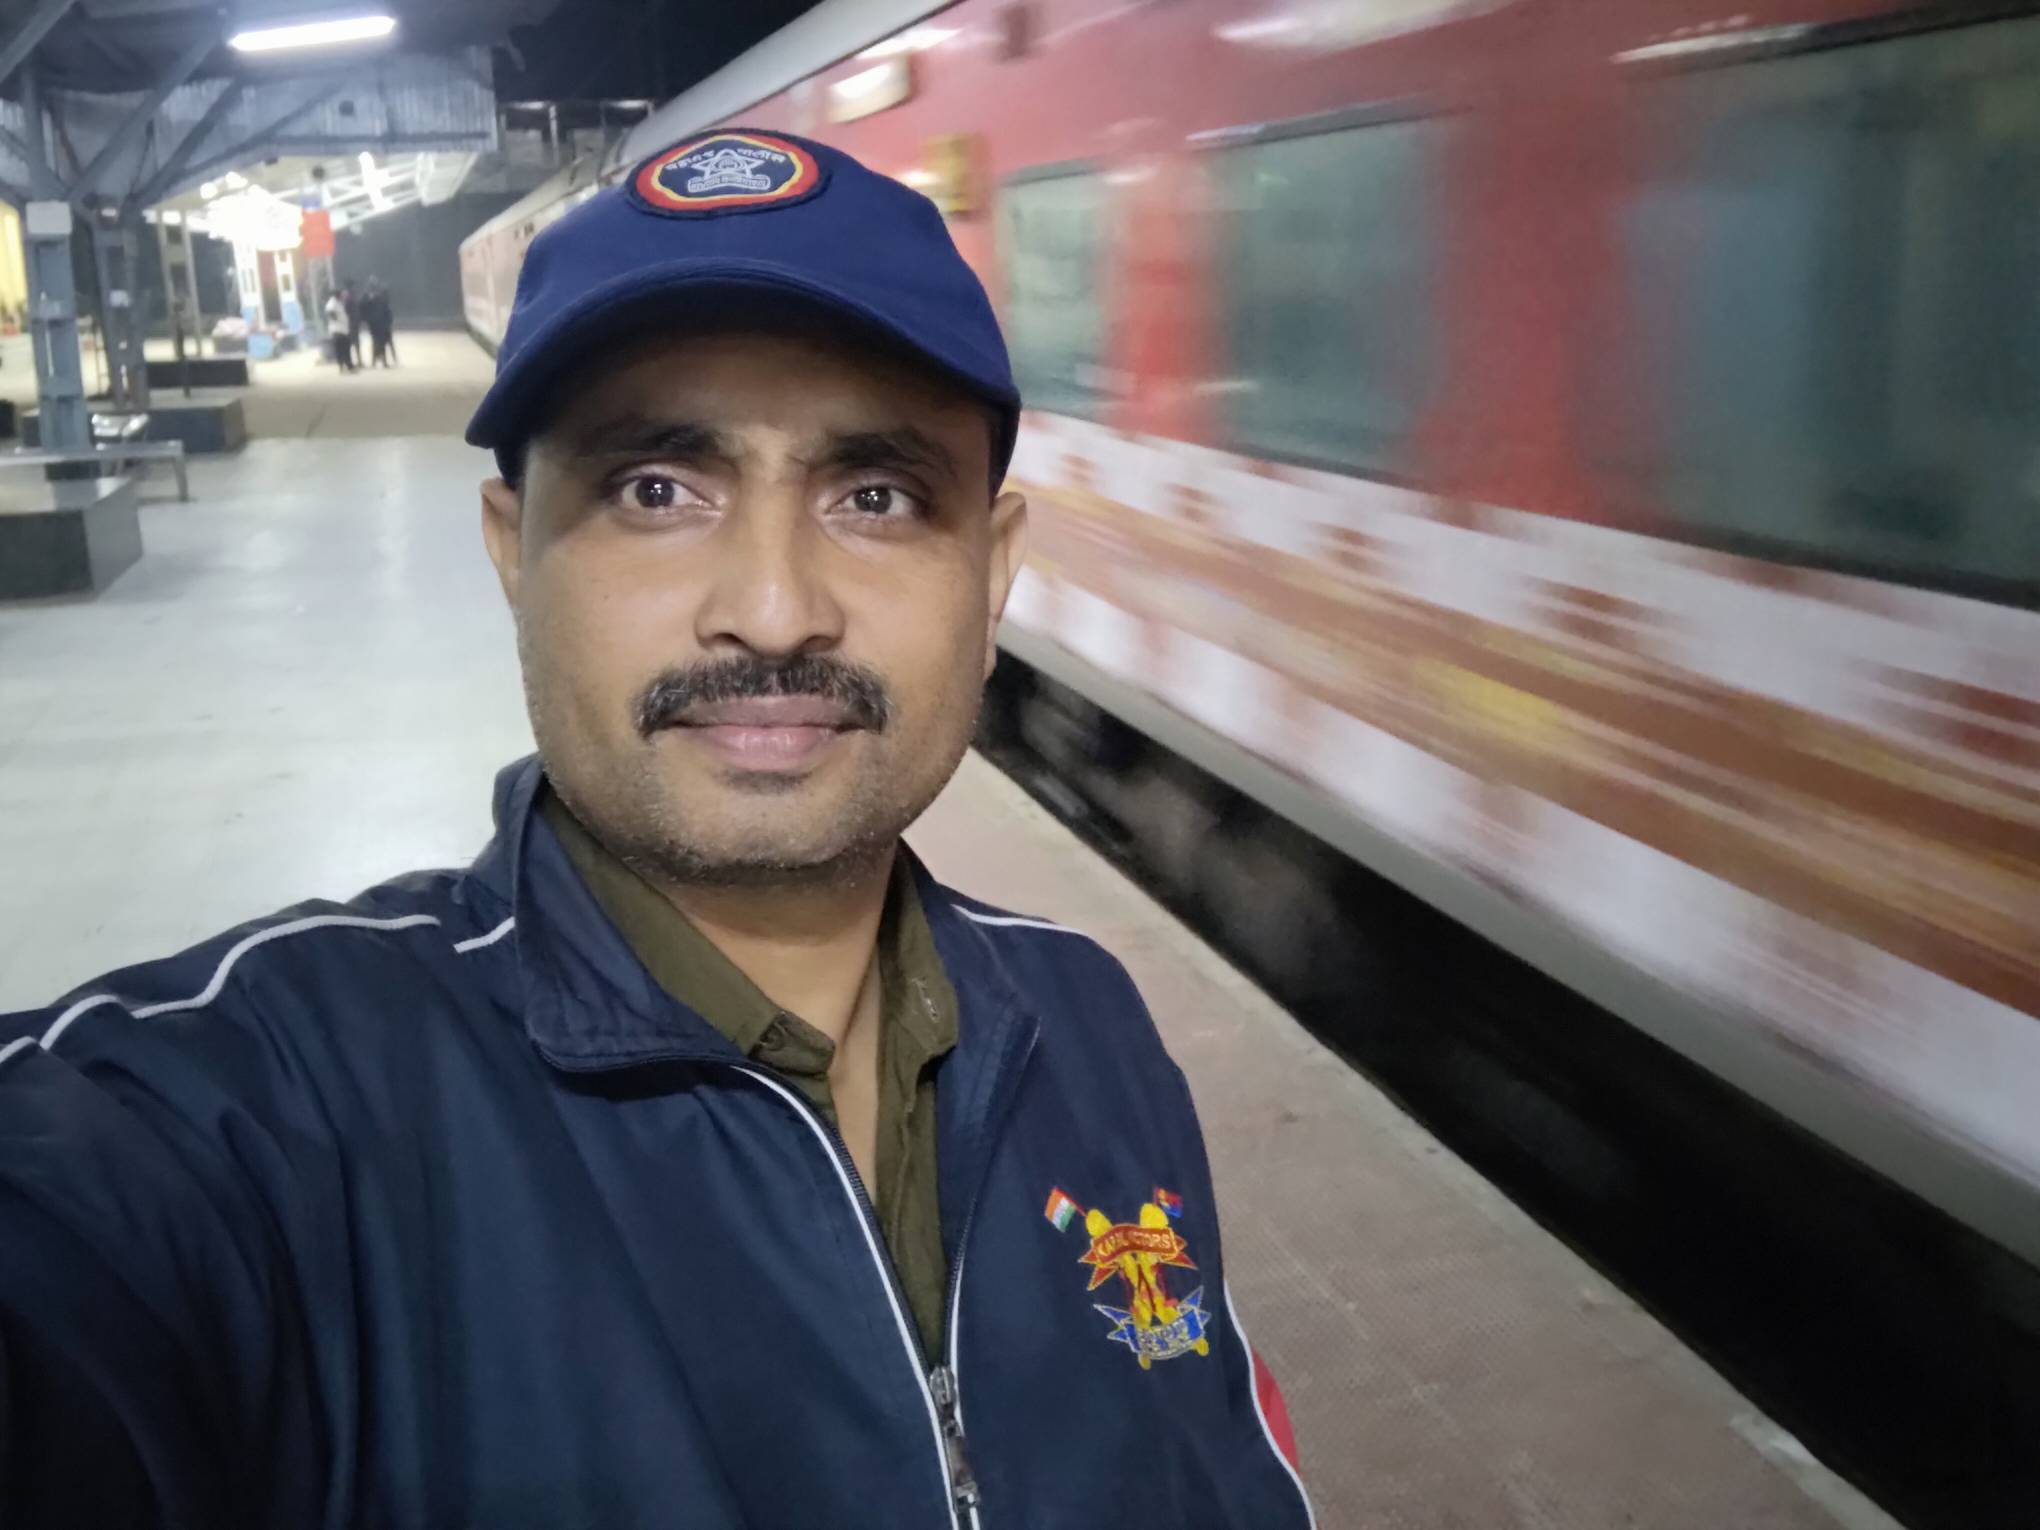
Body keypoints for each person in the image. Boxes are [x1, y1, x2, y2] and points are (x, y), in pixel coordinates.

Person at [0, 130, 1315, 1529]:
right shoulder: (255, 1128)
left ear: (990, 577)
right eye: (656, 490)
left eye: (875, 497)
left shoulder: (1089, 1027)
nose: (773, 609)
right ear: (512, 553)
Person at [364, 276, 395, 368]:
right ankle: (379, 361)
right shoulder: (369, 297)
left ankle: (379, 361)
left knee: (379, 343)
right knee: (378, 343)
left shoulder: (378, 298)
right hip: (376, 324)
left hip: (380, 324)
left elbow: (386, 311)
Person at [322, 286, 353, 371]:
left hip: (343, 329)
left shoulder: (338, 302)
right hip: (337, 330)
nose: (341, 296)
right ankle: (342, 366)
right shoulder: (331, 303)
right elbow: (330, 313)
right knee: (340, 349)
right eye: (340, 294)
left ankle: (348, 365)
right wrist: (336, 319)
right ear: (336, 295)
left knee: (346, 349)